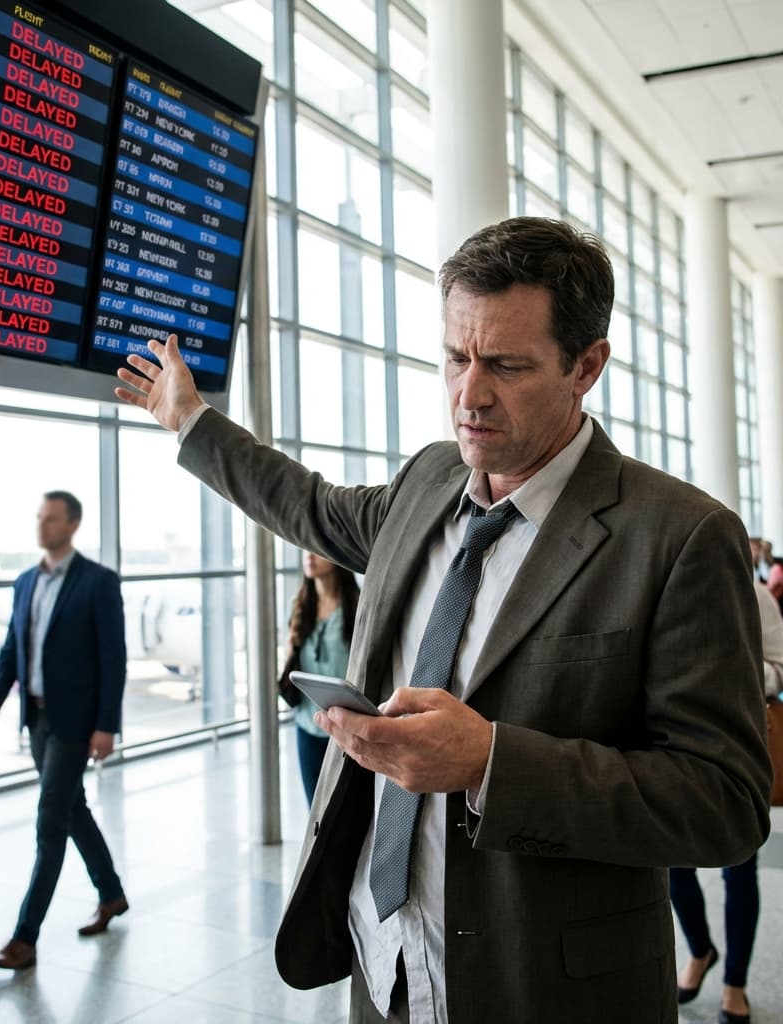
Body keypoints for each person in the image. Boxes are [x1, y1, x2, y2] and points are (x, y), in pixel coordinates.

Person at [114, 216, 772, 1024]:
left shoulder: (678, 537)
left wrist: (490, 762)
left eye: (506, 365)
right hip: (380, 960)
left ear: (586, 366)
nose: (470, 395)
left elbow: (726, 802)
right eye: (457, 358)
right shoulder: (428, 481)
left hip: (541, 987)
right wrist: (191, 422)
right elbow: (308, 504)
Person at [0, 491, 128, 970]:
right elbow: (9, 652)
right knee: (71, 809)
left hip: (75, 723)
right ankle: (111, 893)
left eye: (52, 519)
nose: (42, 526)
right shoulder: (24, 582)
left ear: (73, 524)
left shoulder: (97, 582)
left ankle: (24, 938)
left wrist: (106, 727)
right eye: (39, 518)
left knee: (50, 822)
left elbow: (112, 659)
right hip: (36, 718)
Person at [669, 578, 783, 1024]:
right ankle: (700, 951)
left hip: (740, 746)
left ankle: (735, 983)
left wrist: (729, 668)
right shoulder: (665, 577)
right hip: (673, 744)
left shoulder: (751, 593)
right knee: (674, 864)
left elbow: (779, 666)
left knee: (740, 867)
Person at [280, 552, 360, 805]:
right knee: (314, 809)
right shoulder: (299, 605)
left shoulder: (357, 607)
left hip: (347, 726)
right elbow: (290, 662)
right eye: (304, 549)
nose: (309, 555)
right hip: (308, 723)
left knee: (346, 811)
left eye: (316, 549)